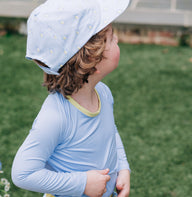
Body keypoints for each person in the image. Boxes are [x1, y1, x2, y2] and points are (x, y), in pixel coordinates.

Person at [11, 0, 131, 197]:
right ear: (93, 60)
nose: (116, 39)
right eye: (111, 38)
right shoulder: (56, 116)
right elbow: (23, 173)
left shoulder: (103, 92)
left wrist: (122, 167)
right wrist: (82, 183)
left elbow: (110, 132)